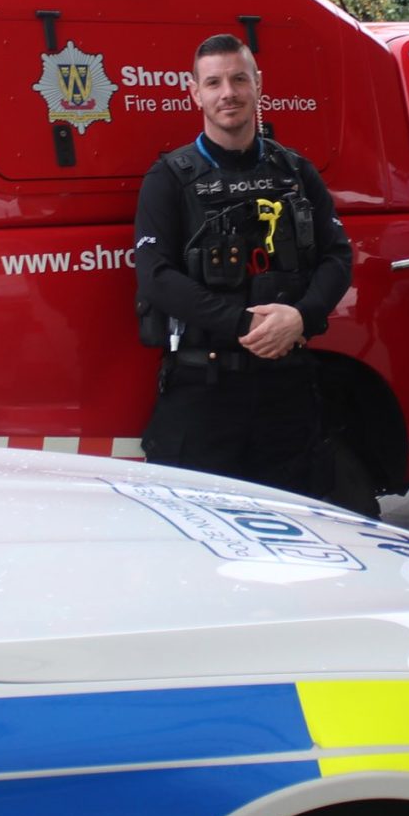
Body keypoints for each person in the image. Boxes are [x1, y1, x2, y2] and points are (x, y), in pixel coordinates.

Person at [133, 33, 352, 496]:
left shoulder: (295, 171)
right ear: (195, 93)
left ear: (258, 85)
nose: (227, 92)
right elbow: (156, 277)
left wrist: (301, 316)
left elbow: (337, 255)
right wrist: (243, 323)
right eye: (213, 83)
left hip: (286, 389)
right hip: (203, 391)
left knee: (296, 533)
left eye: (238, 78)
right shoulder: (169, 178)